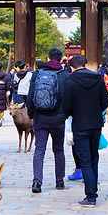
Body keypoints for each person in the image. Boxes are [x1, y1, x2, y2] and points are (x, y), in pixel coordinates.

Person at [63, 54, 108, 207]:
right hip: (96, 124)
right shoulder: (98, 79)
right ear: (86, 64)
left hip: (80, 125)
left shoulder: (69, 81)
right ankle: (92, 191)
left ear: (71, 67)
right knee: (93, 158)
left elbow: (66, 107)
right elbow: (106, 101)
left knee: (85, 161)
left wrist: (73, 112)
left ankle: (91, 196)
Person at [27, 48, 70, 193]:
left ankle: (37, 183)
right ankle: (59, 181)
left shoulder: (37, 73)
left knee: (39, 150)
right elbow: (67, 97)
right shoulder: (64, 75)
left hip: (40, 118)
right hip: (57, 119)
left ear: (48, 57)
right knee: (58, 150)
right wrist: (65, 114)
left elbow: (30, 95)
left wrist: (32, 114)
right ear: (60, 59)